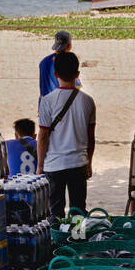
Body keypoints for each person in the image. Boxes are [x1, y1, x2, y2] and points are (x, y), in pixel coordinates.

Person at [37, 50, 96, 218]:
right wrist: (89, 163)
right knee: (78, 211)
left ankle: (57, 241)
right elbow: (91, 138)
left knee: (55, 211)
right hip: (78, 163)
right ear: (77, 73)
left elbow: (42, 137)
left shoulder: (47, 101)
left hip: (54, 164)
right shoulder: (88, 101)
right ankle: (77, 241)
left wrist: (40, 165)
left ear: (55, 73)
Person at [38, 30, 80, 98]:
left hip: (44, 101)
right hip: (60, 100)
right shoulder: (68, 61)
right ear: (69, 45)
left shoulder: (43, 61)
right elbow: (75, 86)